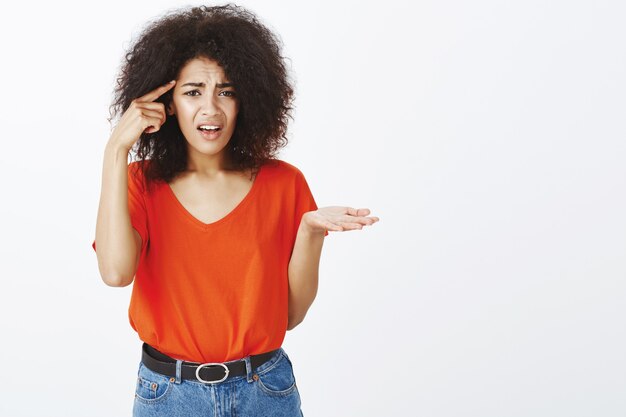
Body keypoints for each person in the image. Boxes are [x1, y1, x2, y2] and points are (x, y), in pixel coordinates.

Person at [91, 4, 379, 416]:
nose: (211, 109)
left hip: (265, 391)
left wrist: (311, 232)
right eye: (193, 92)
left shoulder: (284, 183)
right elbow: (115, 273)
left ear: (248, 98)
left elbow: (291, 316)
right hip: (169, 396)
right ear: (167, 102)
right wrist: (115, 150)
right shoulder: (140, 181)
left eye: (226, 91)